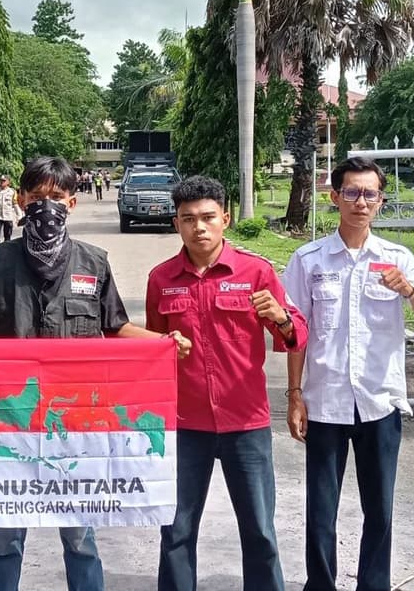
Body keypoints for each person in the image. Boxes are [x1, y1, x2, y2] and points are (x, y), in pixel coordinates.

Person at [0, 156, 191, 591]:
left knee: (80, 537)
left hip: (74, 424)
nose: (45, 206)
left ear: (71, 203)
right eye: (36, 197)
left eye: (56, 197)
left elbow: (115, 327)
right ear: (20, 200)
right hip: (11, 421)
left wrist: (163, 342)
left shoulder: (93, 262)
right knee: (6, 537)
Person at [281, 156, 414, 591]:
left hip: (378, 402)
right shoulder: (309, 260)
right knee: (321, 510)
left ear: (381, 201)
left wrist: (408, 288)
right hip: (325, 402)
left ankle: (374, 584)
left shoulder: (397, 259)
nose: (360, 202)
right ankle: (320, 584)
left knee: (380, 508)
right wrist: (294, 395)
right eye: (351, 192)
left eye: (370, 194)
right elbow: (296, 332)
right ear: (335, 197)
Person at [146, 175, 308, 591]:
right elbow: (152, 348)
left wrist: (281, 317)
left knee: (260, 531)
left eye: (207, 217)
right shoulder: (162, 278)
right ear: (176, 224)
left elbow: (294, 337)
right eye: (188, 219)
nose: (198, 227)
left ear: (226, 219)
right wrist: (166, 346)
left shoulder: (256, 271)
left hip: (245, 423)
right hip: (185, 424)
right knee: (176, 529)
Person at [0, 174, 16, 246]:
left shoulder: (12, 192)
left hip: (8, 217)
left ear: (8, 182)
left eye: (4, 180)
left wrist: (19, 216)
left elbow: (15, 204)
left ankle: (6, 249)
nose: (2, 182)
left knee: (7, 236)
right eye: (1, 180)